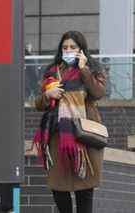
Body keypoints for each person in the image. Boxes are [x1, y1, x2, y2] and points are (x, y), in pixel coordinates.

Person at [35, 31, 107, 213]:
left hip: (84, 137)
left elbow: (98, 93)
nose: (68, 50)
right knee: (59, 190)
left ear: (81, 49)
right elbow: (37, 104)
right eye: (65, 47)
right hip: (57, 138)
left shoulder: (92, 68)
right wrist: (47, 95)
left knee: (85, 192)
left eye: (73, 47)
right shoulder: (51, 72)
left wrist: (84, 70)